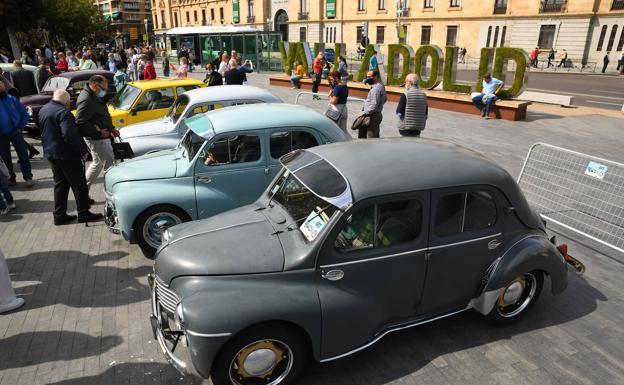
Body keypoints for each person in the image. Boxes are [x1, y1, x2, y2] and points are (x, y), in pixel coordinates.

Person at [39, 90, 102, 224]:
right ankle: (83, 213)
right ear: (67, 102)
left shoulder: (44, 109)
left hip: (51, 153)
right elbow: (69, 135)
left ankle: (59, 215)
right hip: (66, 154)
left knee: (60, 184)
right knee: (79, 184)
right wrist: (82, 151)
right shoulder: (63, 112)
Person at [75, 75, 116, 191]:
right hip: (98, 139)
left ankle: (83, 192)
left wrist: (111, 128)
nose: (105, 91)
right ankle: (111, 194)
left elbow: (100, 114)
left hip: (99, 137)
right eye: (103, 89)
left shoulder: (92, 95)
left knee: (97, 164)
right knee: (110, 167)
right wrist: (97, 133)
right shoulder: (86, 99)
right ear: (95, 86)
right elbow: (80, 122)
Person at [0, 82, 34, 187]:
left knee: (23, 155)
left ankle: (28, 177)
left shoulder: (11, 99)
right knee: (5, 158)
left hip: (16, 132)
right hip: (1, 135)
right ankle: (11, 178)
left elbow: (24, 113)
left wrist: (20, 127)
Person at [358, 69, 387, 138]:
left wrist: (363, 112)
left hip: (372, 116)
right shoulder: (381, 85)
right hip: (374, 115)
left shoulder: (376, 89)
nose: (367, 79)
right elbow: (385, 99)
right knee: (366, 134)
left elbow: (374, 106)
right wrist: (379, 105)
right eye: (367, 76)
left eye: (369, 77)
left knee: (372, 139)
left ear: (376, 76)